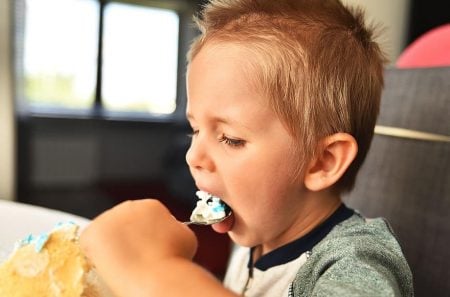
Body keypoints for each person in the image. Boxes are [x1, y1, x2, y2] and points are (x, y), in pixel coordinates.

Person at [80, 0, 414, 296]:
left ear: (322, 162)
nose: (193, 156)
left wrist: (156, 272)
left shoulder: (356, 260)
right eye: (195, 130)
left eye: (230, 138)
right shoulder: (254, 237)